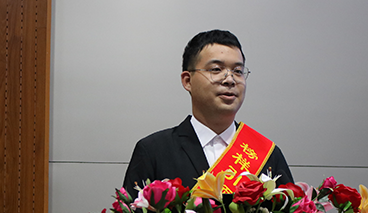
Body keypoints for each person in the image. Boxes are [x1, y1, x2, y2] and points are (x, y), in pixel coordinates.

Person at [123, 29, 293, 197]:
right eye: (216, 69)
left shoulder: (266, 154)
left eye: (238, 71)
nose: (229, 80)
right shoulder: (154, 151)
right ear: (188, 81)